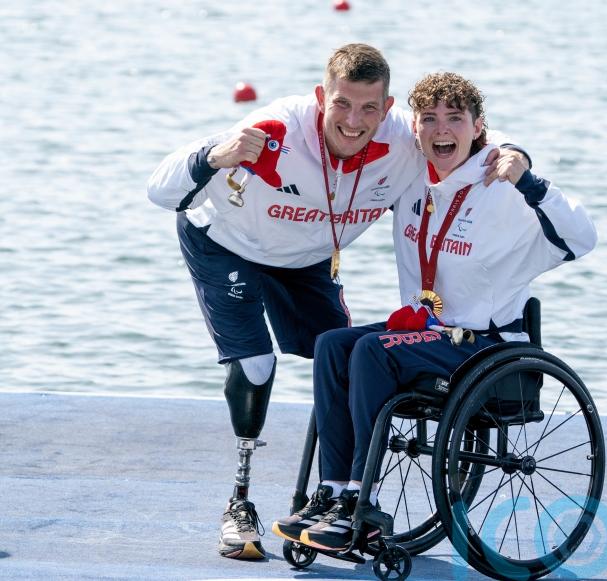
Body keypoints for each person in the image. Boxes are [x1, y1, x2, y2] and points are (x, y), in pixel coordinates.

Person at [146, 44, 530, 559]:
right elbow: (160, 189)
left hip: (306, 258)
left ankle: (337, 497)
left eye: (370, 108)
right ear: (321, 97)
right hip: (226, 244)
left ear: (388, 107)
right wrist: (217, 156)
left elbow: (457, 139)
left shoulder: (402, 139)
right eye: (342, 105)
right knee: (258, 366)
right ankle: (239, 504)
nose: (354, 121)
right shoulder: (277, 127)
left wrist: (518, 154)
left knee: (339, 355)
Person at [271, 72, 597, 553]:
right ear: (416, 128)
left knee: (371, 353)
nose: (441, 130)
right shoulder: (411, 179)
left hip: (484, 345)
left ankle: (365, 500)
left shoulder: (500, 186)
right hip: (425, 331)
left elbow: (581, 238)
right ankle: (332, 493)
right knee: (332, 344)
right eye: (429, 119)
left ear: (477, 126)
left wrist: (527, 177)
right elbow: (360, 135)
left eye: (455, 119)